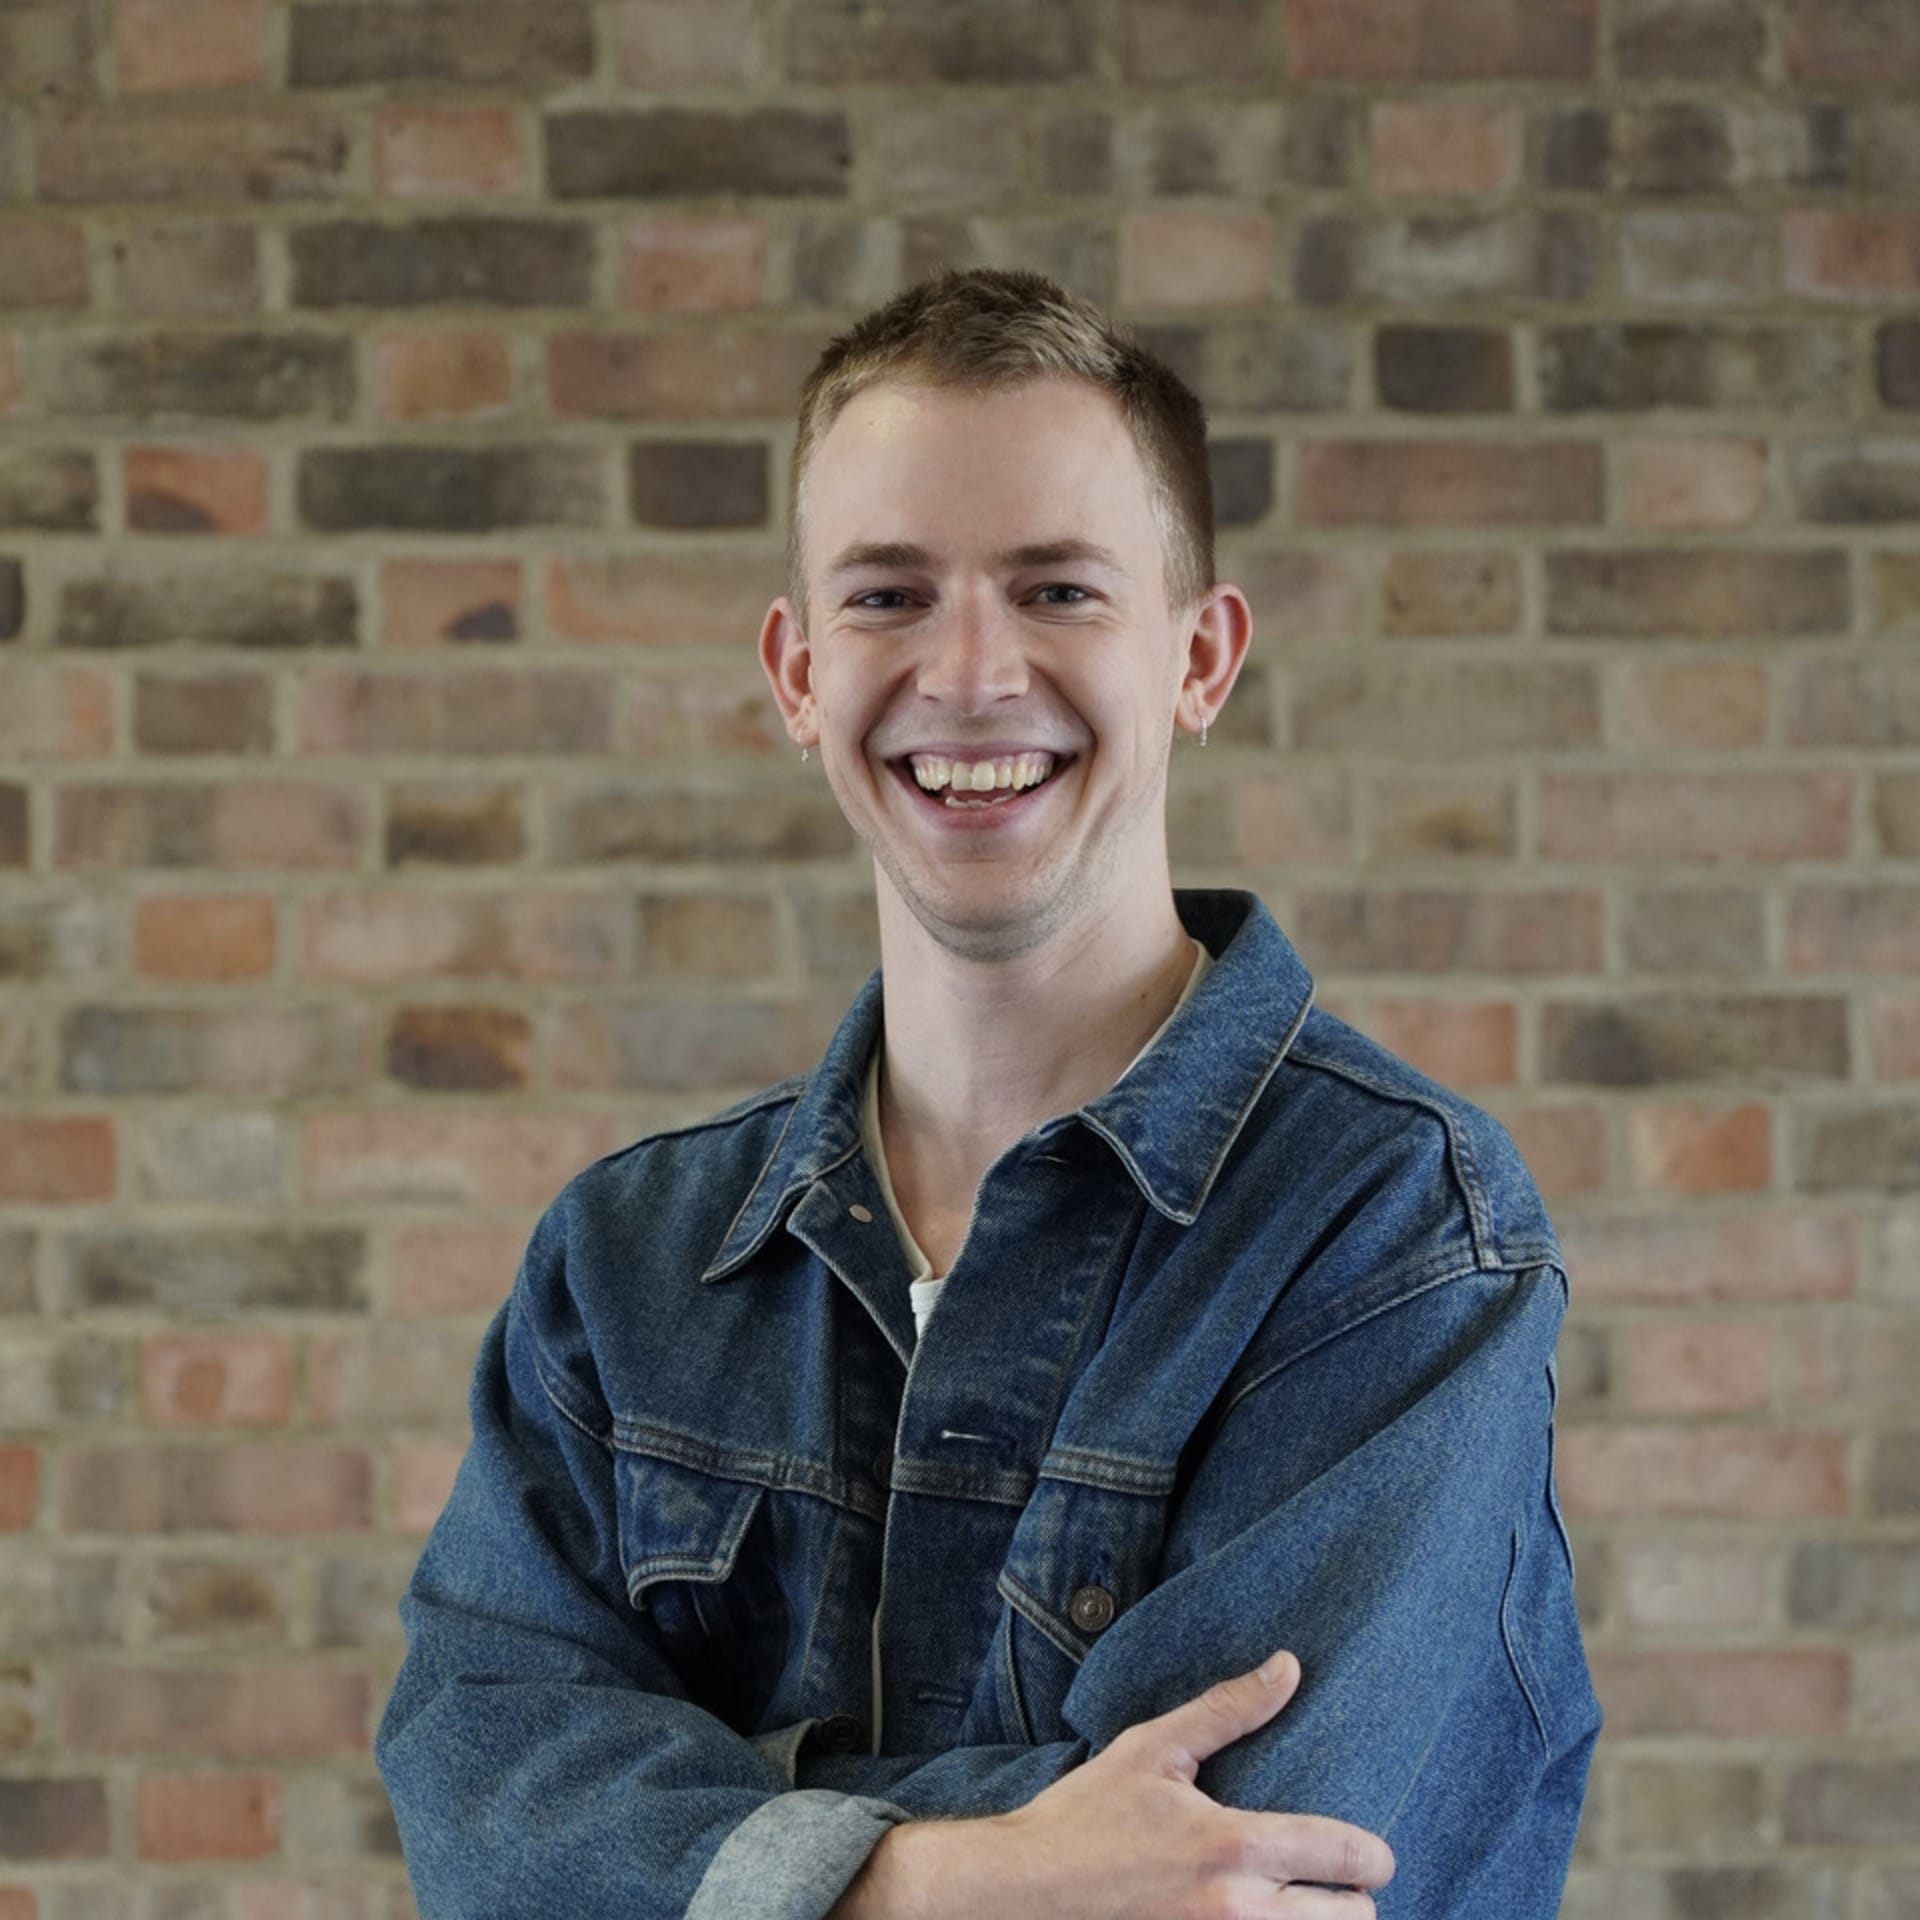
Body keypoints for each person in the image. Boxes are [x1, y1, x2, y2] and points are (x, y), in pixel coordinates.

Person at [374, 267, 1601, 1919]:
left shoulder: (1395, 1234)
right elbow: (476, 1798)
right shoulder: (624, 1267)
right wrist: (942, 1882)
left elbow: (1254, 1859)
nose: (969, 672)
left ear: (1201, 658)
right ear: (798, 675)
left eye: (1059, 591)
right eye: (887, 596)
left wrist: (706, 1852)